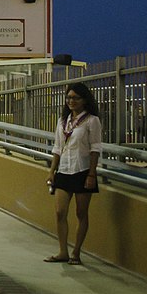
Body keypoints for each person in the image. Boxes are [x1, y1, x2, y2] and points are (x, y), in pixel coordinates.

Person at [44, 82, 102, 266]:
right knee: (60, 212)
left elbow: (95, 148)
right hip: (64, 171)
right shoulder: (63, 121)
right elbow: (57, 148)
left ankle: (76, 252)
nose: (71, 101)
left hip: (82, 170)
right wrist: (52, 171)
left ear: (84, 100)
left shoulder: (92, 121)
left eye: (75, 98)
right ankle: (63, 251)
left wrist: (91, 174)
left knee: (81, 212)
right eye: (69, 97)